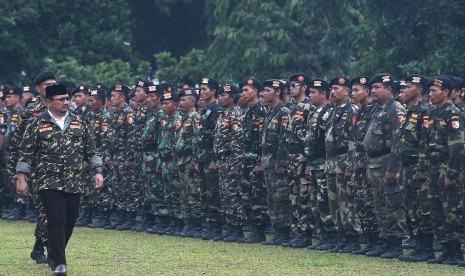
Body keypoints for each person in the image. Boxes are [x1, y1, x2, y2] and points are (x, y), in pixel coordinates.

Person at [16, 84, 103, 275]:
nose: (66, 102)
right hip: (48, 180)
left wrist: (98, 171)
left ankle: (54, 254)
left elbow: (92, 151)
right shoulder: (37, 123)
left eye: (67, 99)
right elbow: (25, 154)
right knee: (56, 218)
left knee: (70, 219)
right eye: (61, 100)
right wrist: (21, 178)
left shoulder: (79, 123)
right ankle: (60, 264)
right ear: (48, 102)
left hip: (74, 180)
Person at [8, 70, 57, 264]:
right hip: (37, 171)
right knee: (48, 211)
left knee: (58, 212)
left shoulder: (64, 108)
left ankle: (38, 247)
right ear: (38, 89)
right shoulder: (30, 112)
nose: (52, 87)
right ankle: (52, 252)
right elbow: (16, 143)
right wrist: (15, 173)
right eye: (47, 85)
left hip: (61, 169)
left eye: (54, 83)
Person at [419, 76, 465, 265]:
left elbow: (458, 145)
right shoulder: (431, 113)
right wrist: (422, 167)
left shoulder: (453, 114)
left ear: (445, 92)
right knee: (435, 210)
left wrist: (452, 173)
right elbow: (425, 142)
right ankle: (446, 249)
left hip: (447, 166)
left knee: (452, 211)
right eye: (429, 91)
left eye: (434, 91)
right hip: (433, 167)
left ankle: (457, 251)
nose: (430, 95)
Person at [364, 73, 407, 258]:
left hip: (387, 162)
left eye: (377, 87)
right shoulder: (376, 109)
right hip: (374, 164)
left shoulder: (395, 108)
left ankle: (396, 244)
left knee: (392, 203)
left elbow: (399, 140)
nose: (373, 91)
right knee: (379, 204)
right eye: (372, 88)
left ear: (389, 90)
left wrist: (393, 168)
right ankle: (385, 240)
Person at [324, 77, 361, 253]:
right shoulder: (333, 110)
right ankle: (342, 236)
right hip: (331, 162)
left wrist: (350, 166)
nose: (332, 91)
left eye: (336, 88)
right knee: (333, 201)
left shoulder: (352, 110)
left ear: (346, 91)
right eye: (331, 88)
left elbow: (353, 141)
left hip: (343, 160)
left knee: (346, 200)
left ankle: (353, 237)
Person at [347, 76, 379, 255]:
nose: (353, 94)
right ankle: (370, 240)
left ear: (367, 92)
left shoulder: (375, 111)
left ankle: (379, 241)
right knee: (362, 204)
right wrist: (351, 167)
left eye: (357, 90)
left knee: (372, 203)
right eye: (352, 91)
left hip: (371, 165)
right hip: (359, 166)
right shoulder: (358, 112)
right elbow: (354, 142)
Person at [282, 73, 315, 248]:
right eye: (291, 85)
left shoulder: (309, 108)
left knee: (304, 195)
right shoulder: (291, 108)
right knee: (293, 195)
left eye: (295, 86)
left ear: (304, 88)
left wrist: (308, 161)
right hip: (292, 157)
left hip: (302, 158)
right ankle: (297, 231)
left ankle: (306, 232)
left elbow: (310, 137)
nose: (291, 88)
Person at [213, 84, 246, 242]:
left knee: (233, 194)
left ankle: (237, 228)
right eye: (219, 95)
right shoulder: (223, 114)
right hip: (222, 159)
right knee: (226, 194)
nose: (219, 97)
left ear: (232, 98)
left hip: (231, 159)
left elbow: (237, 141)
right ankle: (231, 227)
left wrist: (235, 164)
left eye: (223, 95)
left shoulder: (235, 113)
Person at [304, 78, 334, 250]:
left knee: (324, 201)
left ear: (323, 94)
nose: (310, 95)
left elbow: (326, 142)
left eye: (313, 93)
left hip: (323, 164)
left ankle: (330, 236)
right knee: (315, 201)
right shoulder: (316, 112)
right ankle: (323, 234)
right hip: (314, 164)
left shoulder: (328, 112)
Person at [260, 79, 292, 246]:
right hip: (267, 162)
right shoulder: (270, 112)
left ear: (278, 92)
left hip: (276, 162)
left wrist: (280, 162)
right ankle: (277, 229)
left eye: (267, 90)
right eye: (263, 90)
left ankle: (285, 231)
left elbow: (283, 140)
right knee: (272, 197)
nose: (264, 93)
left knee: (281, 197)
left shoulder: (283, 112)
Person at [238, 77, 269, 243]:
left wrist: (259, 162)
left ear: (256, 92)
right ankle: (253, 227)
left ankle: (260, 230)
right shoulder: (248, 113)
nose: (243, 93)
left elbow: (262, 140)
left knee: (258, 196)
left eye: (246, 90)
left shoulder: (261, 111)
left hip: (256, 161)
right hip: (246, 160)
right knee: (247, 196)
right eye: (242, 90)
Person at [195, 78, 223, 240]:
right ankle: (209, 224)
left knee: (213, 192)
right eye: (201, 88)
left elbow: (217, 138)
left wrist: (214, 159)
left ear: (213, 91)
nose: (201, 91)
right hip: (202, 157)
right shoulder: (205, 110)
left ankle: (216, 226)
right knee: (204, 191)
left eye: (205, 89)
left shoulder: (216, 110)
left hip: (211, 157)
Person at [174, 88, 202, 237]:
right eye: (180, 100)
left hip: (190, 160)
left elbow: (198, 142)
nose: (180, 103)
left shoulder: (195, 118)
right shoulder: (182, 118)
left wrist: (194, 161)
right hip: (181, 160)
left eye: (184, 100)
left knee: (193, 192)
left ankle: (196, 224)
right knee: (183, 193)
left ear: (192, 101)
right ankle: (188, 223)